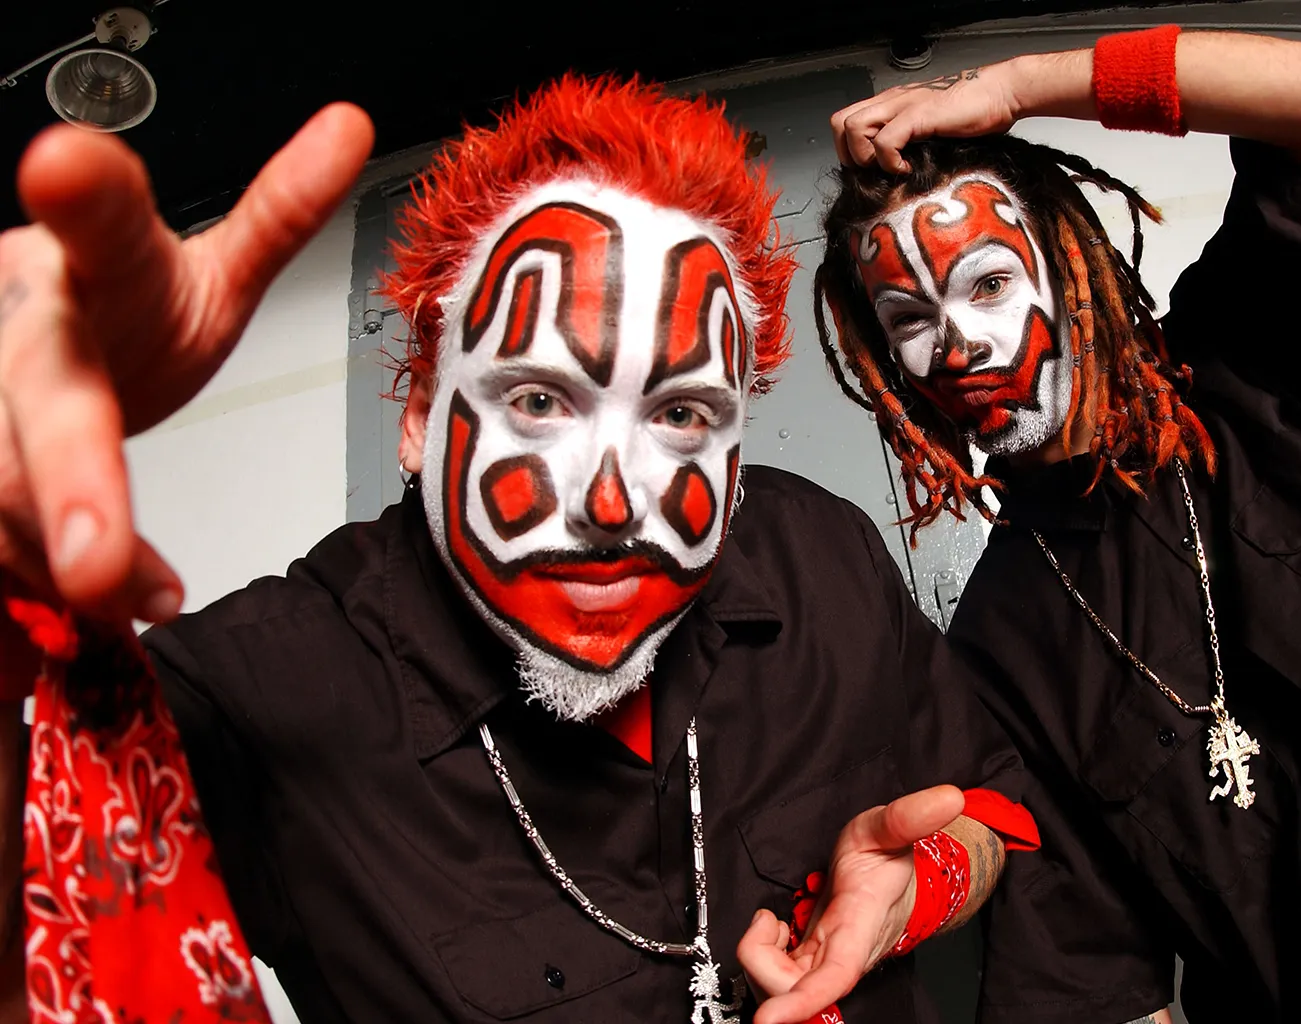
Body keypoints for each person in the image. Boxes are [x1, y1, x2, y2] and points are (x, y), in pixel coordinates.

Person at [0, 76, 1039, 1023]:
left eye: (679, 413)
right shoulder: (273, 684)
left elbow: (991, 799)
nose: (611, 499)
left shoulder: (819, 554)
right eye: (539, 399)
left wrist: (916, 892)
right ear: (419, 414)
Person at [814, 25, 1301, 1024]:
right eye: (908, 316)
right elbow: (1093, 977)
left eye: (989, 281)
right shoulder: (1000, 644)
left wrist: (1025, 85)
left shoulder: (1263, 342)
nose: (958, 340)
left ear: (1069, 263)